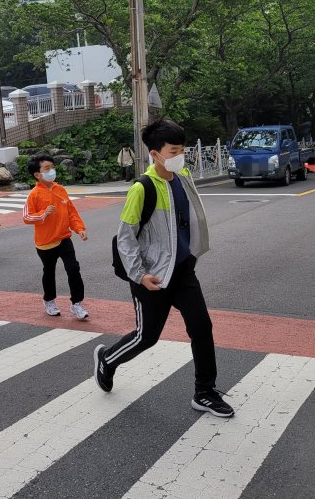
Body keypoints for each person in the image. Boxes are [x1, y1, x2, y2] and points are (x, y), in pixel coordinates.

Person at [94, 119, 235, 418]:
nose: (180, 156)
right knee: (147, 337)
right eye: (174, 151)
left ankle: (204, 392)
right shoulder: (142, 188)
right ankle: (107, 359)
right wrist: (139, 274)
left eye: (182, 150)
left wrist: (192, 254)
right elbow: (126, 237)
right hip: (152, 276)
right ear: (155, 154)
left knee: (201, 327)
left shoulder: (182, 177)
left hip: (182, 270)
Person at [22, 154, 90, 320]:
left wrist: (79, 228)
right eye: (47, 168)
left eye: (52, 167)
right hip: (45, 242)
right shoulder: (34, 194)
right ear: (37, 174)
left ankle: (76, 303)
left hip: (64, 238)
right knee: (49, 271)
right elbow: (26, 217)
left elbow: (71, 212)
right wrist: (43, 213)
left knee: (73, 268)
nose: (51, 171)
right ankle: (49, 300)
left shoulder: (60, 189)